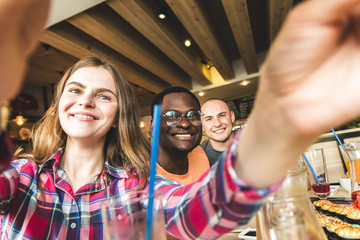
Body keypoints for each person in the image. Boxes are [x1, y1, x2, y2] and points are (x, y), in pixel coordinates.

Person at [2, 0, 360, 239]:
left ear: (117, 116)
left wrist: (277, 122)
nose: (87, 101)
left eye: (104, 95)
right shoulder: (22, 177)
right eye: (75, 90)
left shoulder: (136, 187)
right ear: (59, 104)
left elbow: (204, 209)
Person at [151, 87, 210, 186]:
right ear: (153, 126)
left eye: (193, 115)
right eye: (172, 116)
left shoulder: (199, 154)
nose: (185, 124)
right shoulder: (140, 174)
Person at [201, 98, 235, 166]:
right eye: (209, 119)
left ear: (232, 117)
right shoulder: (199, 159)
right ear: (201, 126)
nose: (217, 124)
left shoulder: (256, 143)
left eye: (222, 115)